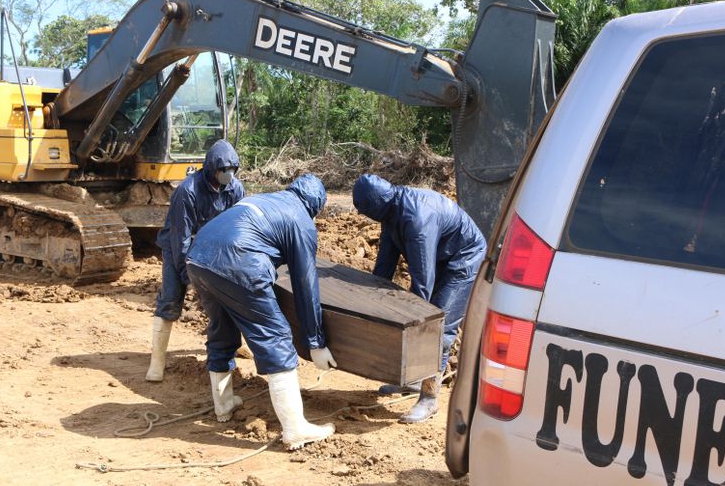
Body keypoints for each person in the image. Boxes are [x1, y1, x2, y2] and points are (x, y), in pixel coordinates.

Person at [185, 174, 337, 450]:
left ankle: (223, 406)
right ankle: (295, 429)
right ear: (315, 205)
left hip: (198, 258)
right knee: (275, 335)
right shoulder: (301, 220)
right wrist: (316, 342)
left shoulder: (265, 199)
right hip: (237, 261)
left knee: (222, 329)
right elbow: (305, 284)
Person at [352, 174, 486, 424]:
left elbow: (423, 282)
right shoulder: (390, 210)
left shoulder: (417, 220)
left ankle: (429, 398)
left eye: (367, 211)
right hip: (441, 257)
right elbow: (384, 265)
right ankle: (413, 379)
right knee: (424, 320)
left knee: (437, 326)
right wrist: (370, 302)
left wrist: (409, 320)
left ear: (377, 205)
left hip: (462, 260)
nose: (365, 217)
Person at [145, 139, 245, 382]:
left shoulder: (235, 189)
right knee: (170, 298)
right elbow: (181, 237)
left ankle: (234, 344)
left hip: (214, 247)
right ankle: (156, 362)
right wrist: (186, 276)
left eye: (231, 170)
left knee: (231, 296)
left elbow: (239, 226)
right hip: (178, 245)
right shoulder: (187, 191)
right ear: (212, 169)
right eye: (223, 171)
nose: (227, 175)